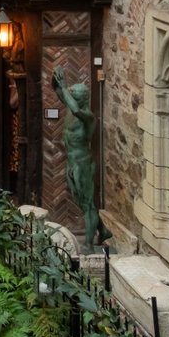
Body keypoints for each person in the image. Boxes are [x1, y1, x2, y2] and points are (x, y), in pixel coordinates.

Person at [51, 66, 103, 246]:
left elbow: (74, 109)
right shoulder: (71, 106)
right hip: (71, 161)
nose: (70, 95)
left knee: (87, 205)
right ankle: (103, 230)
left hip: (83, 163)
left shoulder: (87, 116)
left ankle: (89, 244)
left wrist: (65, 87)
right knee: (81, 201)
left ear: (83, 98)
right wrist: (56, 78)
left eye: (75, 94)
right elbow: (58, 91)